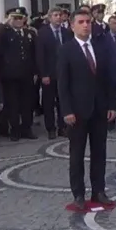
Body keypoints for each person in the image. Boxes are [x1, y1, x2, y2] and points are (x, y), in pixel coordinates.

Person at [57, 9, 116, 209]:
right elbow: (63, 83)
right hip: (77, 111)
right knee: (77, 155)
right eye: (81, 22)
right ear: (72, 26)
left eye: (88, 22)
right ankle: (79, 194)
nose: (85, 25)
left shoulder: (100, 47)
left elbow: (108, 78)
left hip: (100, 109)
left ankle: (98, 191)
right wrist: (67, 110)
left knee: (99, 152)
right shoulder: (66, 50)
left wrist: (112, 104)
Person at [0, 7, 37, 141]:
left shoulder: (29, 33)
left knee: (27, 103)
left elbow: (34, 53)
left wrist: (35, 71)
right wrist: (6, 24)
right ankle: (15, 129)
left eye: (20, 18)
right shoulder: (4, 33)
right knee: (13, 104)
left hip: (26, 74)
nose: (18, 21)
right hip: (10, 75)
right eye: (15, 18)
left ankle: (27, 128)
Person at [36, 7, 72, 139]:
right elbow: (40, 55)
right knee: (49, 103)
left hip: (63, 72)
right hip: (49, 74)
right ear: (50, 17)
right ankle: (50, 128)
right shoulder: (43, 33)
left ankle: (63, 127)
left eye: (60, 15)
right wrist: (44, 74)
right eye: (55, 15)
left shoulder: (66, 32)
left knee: (63, 101)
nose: (58, 17)